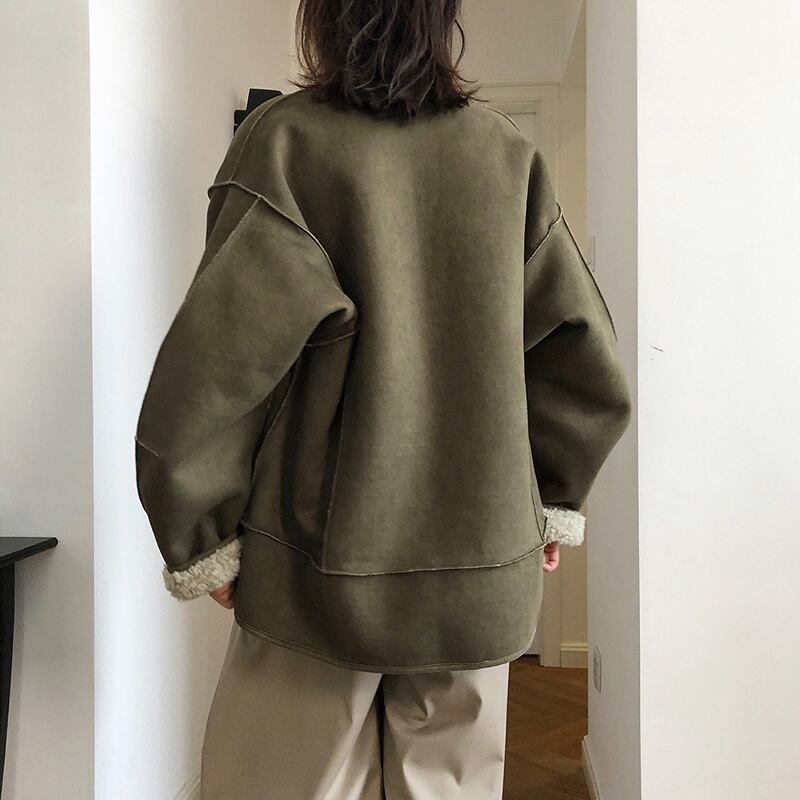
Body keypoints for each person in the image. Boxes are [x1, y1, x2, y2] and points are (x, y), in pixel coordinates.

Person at [134, 1, 631, 797]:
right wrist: (548, 498)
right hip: (476, 572)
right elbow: (581, 356)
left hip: (317, 572)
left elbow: (215, 367)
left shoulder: (285, 146)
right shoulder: (505, 156)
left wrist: (202, 535)